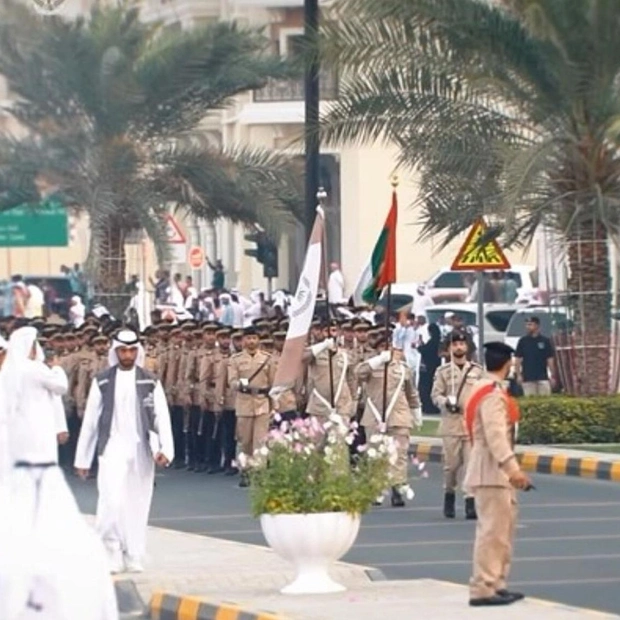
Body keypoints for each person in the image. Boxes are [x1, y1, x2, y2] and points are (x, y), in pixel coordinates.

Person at [74, 330, 174, 574]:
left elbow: (162, 417)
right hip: (112, 447)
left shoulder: (150, 380)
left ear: (137, 351)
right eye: (122, 350)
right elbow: (90, 422)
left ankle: (133, 553)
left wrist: (165, 450)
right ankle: (111, 550)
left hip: (141, 448)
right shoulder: (103, 381)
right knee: (111, 500)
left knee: (137, 503)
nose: (127, 355)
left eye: (131, 350)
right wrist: (82, 459)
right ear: (115, 351)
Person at [464, 341, 531, 607]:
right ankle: (483, 587)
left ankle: (497, 582)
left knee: (502, 532)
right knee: (492, 532)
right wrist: (512, 468)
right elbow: (495, 436)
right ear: (508, 364)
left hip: (493, 471)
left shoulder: (484, 387)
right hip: (491, 471)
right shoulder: (491, 393)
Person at [356, 330, 422, 507]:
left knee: (399, 455)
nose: (386, 350)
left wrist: (416, 410)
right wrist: (378, 360)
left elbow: (411, 392)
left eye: (388, 347)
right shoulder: (370, 366)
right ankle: (377, 489)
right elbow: (358, 373)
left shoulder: (402, 368)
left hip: (399, 415)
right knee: (376, 454)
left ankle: (397, 488)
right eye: (382, 347)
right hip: (374, 416)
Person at [432, 331, 483, 520]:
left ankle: (470, 501)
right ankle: (449, 495)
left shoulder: (477, 371)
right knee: (452, 466)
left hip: (471, 424)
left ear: (467, 347)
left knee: (471, 465)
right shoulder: (443, 372)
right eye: (455, 344)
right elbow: (435, 395)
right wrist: (446, 401)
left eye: (462, 344)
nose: (459, 347)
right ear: (449, 348)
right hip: (451, 424)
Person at [515, 316, 556, 396]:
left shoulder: (545, 341)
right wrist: (518, 375)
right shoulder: (523, 341)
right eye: (527, 325)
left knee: (545, 400)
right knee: (530, 400)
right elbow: (518, 359)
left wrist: (553, 376)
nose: (528, 327)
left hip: (542, 377)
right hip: (528, 377)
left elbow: (550, 359)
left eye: (530, 324)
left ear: (537, 326)